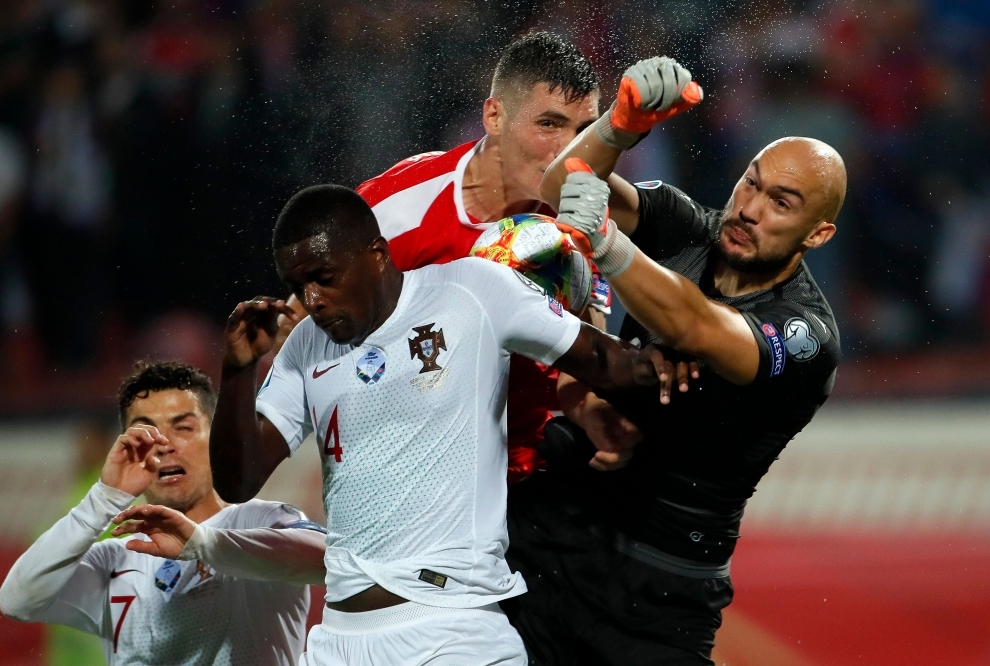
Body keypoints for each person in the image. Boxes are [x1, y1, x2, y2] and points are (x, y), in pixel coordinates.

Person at [208, 184, 679, 666]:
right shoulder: (307, 344)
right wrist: (238, 369)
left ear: (376, 253)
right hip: (338, 642)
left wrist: (672, 358)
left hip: (452, 634)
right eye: (299, 283)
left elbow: (607, 359)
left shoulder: (470, 289)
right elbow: (238, 481)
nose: (312, 299)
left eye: (324, 278)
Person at [501, 56, 844, 665]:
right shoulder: (690, 227)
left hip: (660, 593)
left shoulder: (806, 333)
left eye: (781, 203)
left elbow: (695, 325)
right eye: (751, 182)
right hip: (545, 535)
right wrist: (619, 125)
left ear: (817, 234)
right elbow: (558, 189)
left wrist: (606, 241)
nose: (750, 208)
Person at [355, 30, 607, 483]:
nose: (569, 150)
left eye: (584, 131)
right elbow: (315, 342)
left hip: (529, 476)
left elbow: (584, 354)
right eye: (549, 125)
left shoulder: (587, 215)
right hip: (410, 478)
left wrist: (592, 410)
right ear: (494, 115)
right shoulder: (393, 212)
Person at [0, 361, 326, 666]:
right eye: (146, 432)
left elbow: (330, 561)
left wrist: (202, 543)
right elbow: (16, 601)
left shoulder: (262, 522)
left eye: (183, 428)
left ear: (216, 437)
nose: (164, 444)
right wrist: (104, 497)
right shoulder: (117, 559)